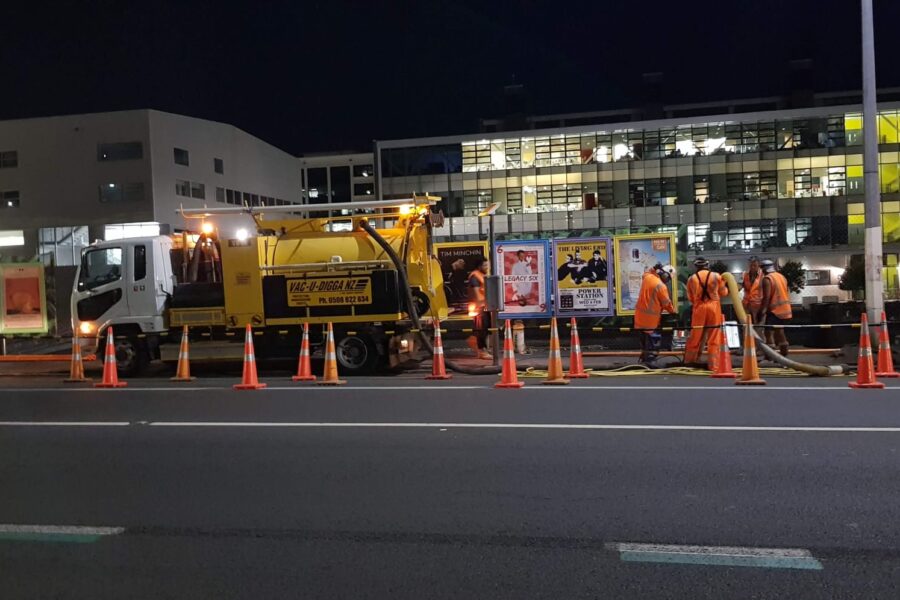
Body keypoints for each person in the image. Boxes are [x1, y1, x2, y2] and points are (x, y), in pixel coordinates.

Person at [684, 257, 727, 370]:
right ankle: (714, 365)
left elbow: (690, 297)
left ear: (696, 266)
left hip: (699, 308)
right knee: (714, 336)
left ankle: (690, 362)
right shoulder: (716, 276)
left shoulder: (691, 279)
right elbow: (724, 292)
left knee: (695, 335)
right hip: (714, 307)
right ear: (707, 265)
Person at [634, 264, 676, 367]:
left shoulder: (648, 278)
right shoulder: (661, 286)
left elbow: (646, 273)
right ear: (665, 275)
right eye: (668, 278)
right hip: (651, 319)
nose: (668, 280)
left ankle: (644, 359)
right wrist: (673, 312)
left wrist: (654, 268)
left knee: (643, 339)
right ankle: (650, 361)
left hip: (639, 317)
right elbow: (666, 303)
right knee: (652, 341)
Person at [759, 259, 792, 356]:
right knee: (780, 331)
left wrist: (763, 311)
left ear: (764, 269)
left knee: (768, 332)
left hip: (775, 311)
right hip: (785, 310)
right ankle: (784, 355)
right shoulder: (781, 277)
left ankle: (770, 356)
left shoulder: (767, 279)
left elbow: (767, 297)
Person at [467, 257, 492, 360]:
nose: (487, 267)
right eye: (485, 265)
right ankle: (481, 350)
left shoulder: (482, 275)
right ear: (479, 266)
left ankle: (482, 347)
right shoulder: (475, 276)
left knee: (485, 329)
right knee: (481, 329)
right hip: (478, 308)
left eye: (488, 265)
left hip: (484, 306)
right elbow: (476, 294)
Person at [741, 256, 763, 323]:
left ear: (758, 265)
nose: (752, 267)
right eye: (751, 265)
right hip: (746, 304)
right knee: (747, 325)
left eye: (755, 265)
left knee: (758, 326)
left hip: (758, 305)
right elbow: (742, 286)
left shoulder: (763, 275)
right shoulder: (745, 274)